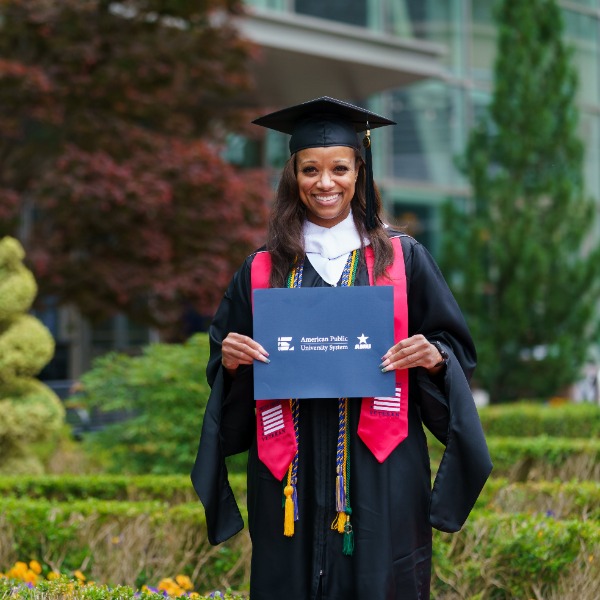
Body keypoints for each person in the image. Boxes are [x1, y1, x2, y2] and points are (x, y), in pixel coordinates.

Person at [191, 97, 492, 600]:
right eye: (310, 169)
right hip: (287, 475)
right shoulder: (263, 269)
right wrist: (231, 362)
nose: (324, 183)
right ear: (294, 176)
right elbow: (226, 370)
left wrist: (434, 358)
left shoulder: (402, 259)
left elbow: (454, 351)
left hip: (382, 467)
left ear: (359, 172)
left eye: (339, 169)